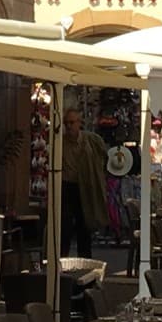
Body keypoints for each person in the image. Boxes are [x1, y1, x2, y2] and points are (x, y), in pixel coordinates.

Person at [60, 106, 109, 256]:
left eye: (72, 123)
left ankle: (85, 260)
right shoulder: (60, 143)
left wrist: (97, 173)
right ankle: (62, 260)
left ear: (79, 123)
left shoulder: (91, 140)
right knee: (65, 226)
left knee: (84, 224)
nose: (69, 126)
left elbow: (104, 156)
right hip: (67, 186)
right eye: (66, 123)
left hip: (84, 186)